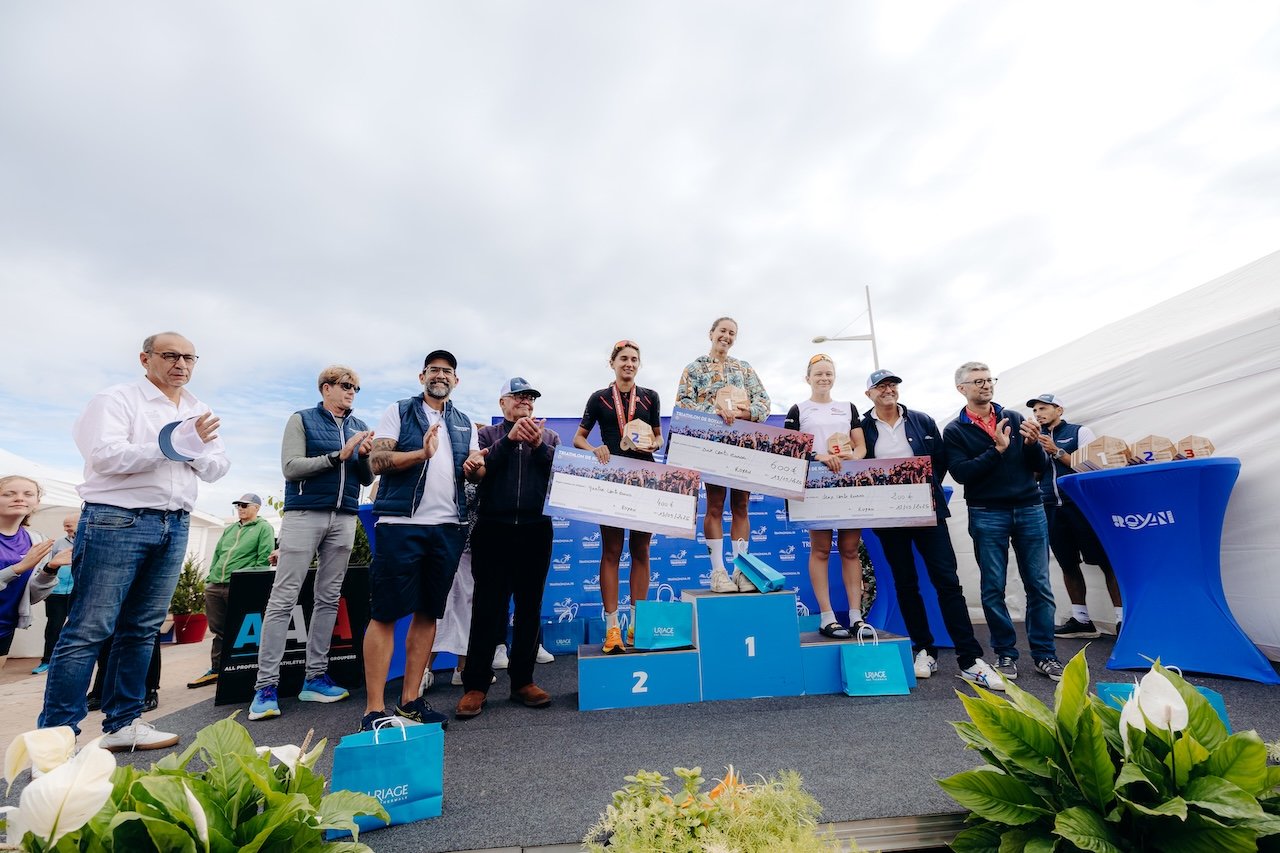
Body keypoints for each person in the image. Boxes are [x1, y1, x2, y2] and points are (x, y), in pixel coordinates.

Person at [40, 331, 229, 750]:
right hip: (116, 519)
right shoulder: (117, 400)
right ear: (145, 359)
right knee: (90, 627)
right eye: (170, 355)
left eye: (189, 357)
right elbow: (105, 456)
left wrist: (188, 447)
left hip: (174, 522)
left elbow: (217, 467)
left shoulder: (199, 409)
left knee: (142, 629)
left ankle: (123, 723)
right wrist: (174, 444)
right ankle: (56, 736)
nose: (181, 364)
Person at [861, 370, 1006, 690]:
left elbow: (938, 463)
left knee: (947, 582)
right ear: (869, 393)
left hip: (927, 512)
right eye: (880, 386)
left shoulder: (922, 420)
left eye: (892, 384)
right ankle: (923, 649)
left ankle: (970, 659)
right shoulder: (861, 427)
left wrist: (918, 495)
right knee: (906, 583)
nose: (888, 390)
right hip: (889, 518)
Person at [363, 350, 485, 731]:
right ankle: (373, 710)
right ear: (422, 376)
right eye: (434, 370)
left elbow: (473, 476)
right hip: (401, 523)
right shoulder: (399, 411)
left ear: (456, 381)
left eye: (447, 371)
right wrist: (421, 453)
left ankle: (411, 701)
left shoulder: (465, 423)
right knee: (384, 614)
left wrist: (477, 468)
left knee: (429, 613)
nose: (441, 375)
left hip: (448, 527)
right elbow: (376, 462)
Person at [248, 367, 374, 720]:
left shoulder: (357, 424)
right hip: (305, 514)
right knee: (284, 597)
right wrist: (338, 455)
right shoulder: (302, 419)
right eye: (346, 386)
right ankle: (265, 687)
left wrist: (363, 455)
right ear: (326, 388)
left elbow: (365, 478)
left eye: (357, 388)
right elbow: (291, 467)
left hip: (345, 517)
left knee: (329, 598)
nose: (352, 393)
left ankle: (315, 678)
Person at [943, 362, 1063, 682]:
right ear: (962, 389)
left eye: (989, 380)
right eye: (978, 381)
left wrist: (1032, 444)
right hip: (987, 512)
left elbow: (1037, 466)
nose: (986, 385)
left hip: (1029, 507)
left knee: (1039, 585)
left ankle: (1045, 655)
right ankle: (1006, 654)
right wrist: (997, 450)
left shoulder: (1013, 417)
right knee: (993, 587)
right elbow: (962, 474)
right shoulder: (955, 430)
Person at [455, 378, 560, 720]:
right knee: (488, 607)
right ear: (502, 404)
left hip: (535, 529)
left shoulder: (551, 438)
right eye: (517, 397)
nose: (525, 402)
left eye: (530, 397)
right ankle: (476, 684)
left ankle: (523, 682)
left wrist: (538, 447)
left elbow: (559, 480)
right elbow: (477, 474)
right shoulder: (486, 436)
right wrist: (509, 441)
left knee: (530, 607)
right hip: (493, 528)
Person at [573, 340, 664, 654]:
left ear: (639, 365)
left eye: (634, 359)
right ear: (612, 363)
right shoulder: (599, 398)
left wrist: (654, 444)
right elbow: (578, 438)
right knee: (611, 551)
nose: (629, 363)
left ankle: (636, 626)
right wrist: (594, 448)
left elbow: (659, 435)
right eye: (623, 358)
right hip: (612, 479)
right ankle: (612, 628)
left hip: (645, 478)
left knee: (641, 550)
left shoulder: (650, 397)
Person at [675, 317, 770, 594]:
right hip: (711, 445)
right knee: (715, 505)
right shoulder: (694, 368)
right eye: (722, 331)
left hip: (742, 446)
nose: (726, 336)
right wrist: (713, 412)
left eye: (732, 333)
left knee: (741, 506)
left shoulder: (744, 368)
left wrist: (743, 413)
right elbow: (683, 402)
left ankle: (742, 571)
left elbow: (763, 402)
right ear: (711, 334)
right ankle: (718, 572)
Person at [783, 354, 869, 639]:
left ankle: (856, 616)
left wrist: (852, 456)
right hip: (815, 484)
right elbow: (790, 447)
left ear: (834, 377)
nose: (824, 378)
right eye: (818, 374)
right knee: (820, 549)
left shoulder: (848, 408)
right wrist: (819, 456)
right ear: (808, 378)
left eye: (828, 374)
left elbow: (860, 447)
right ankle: (827, 616)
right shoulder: (799, 409)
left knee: (849, 549)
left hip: (847, 485)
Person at [1026, 394, 1123, 638]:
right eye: (1035, 410)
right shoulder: (1034, 438)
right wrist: (1034, 454)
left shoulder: (1080, 432)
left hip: (1081, 507)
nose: (1038, 413)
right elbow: (1035, 475)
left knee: (1105, 562)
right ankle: (1082, 621)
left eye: (1043, 408)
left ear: (1059, 409)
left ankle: (1123, 619)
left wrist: (1057, 452)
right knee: (1067, 563)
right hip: (1050, 507)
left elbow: (1092, 468)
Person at [188, 493, 273, 689]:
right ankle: (217, 669)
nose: (241, 509)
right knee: (219, 630)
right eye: (238, 506)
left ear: (256, 508)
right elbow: (218, 554)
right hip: (216, 585)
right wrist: (211, 577)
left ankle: (248, 670)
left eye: (245, 505)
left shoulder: (263, 528)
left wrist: (248, 582)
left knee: (243, 630)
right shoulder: (230, 529)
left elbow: (263, 559)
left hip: (240, 585)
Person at [0, 477, 58, 663]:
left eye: (28, 494)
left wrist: (50, 570)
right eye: (9, 494)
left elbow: (32, 595)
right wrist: (18, 568)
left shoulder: (37, 540)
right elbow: (19, 570)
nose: (19, 498)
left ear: (36, 503)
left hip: (4, 625)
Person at [35, 513, 78, 674]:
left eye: (69, 525)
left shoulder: (89, 541)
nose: (65, 528)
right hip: (57, 593)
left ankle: (73, 661)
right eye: (65, 525)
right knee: (53, 627)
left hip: (79, 592)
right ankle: (47, 661)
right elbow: (48, 565)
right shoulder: (59, 543)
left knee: (79, 628)